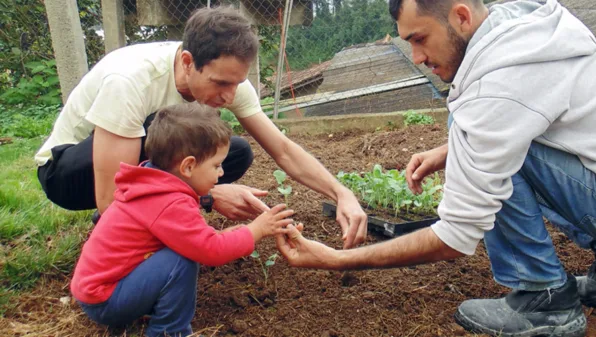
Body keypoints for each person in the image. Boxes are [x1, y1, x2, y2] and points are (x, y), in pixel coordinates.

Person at [275, 0, 596, 336]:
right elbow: (537, 115)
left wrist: (337, 259)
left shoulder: (501, 80)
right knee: (473, 139)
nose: (417, 57)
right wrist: (449, 150)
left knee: (476, 139)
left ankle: (542, 299)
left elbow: (455, 237)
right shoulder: (519, 30)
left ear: (460, 16)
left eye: (420, 39)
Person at [35, 6, 366, 248]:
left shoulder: (229, 82)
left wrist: (341, 193)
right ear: (188, 62)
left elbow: (282, 149)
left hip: (132, 165)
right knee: (163, 126)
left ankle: (151, 216)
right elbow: (110, 196)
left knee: (233, 152)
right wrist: (208, 197)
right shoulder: (130, 81)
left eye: (237, 83)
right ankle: (129, 227)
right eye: (221, 83)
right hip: (67, 173)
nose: (229, 96)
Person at [70, 104, 300, 336]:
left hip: (98, 290)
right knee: (182, 260)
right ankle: (169, 331)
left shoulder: (152, 185)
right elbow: (210, 249)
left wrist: (235, 235)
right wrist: (256, 230)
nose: (221, 174)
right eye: (216, 165)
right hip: (106, 300)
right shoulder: (168, 201)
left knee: (183, 252)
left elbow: (195, 236)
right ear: (188, 166)